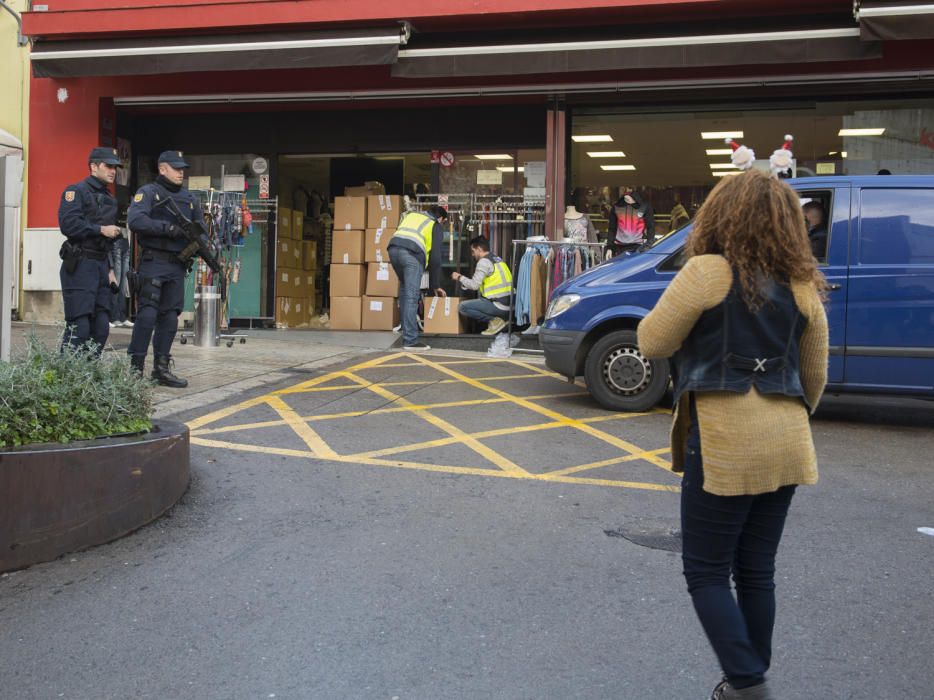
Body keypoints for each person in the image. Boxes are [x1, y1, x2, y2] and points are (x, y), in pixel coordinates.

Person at [638, 168, 829, 700]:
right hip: (789, 438)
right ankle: (747, 677)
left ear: (721, 217)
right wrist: (785, 418)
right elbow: (814, 378)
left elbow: (651, 342)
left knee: (706, 571)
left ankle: (747, 683)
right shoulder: (802, 285)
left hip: (724, 439)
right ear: (788, 225)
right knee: (757, 570)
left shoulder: (704, 272)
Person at [126, 150, 202, 388]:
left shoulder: (190, 198)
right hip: (154, 262)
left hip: (177, 264)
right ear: (162, 169)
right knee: (147, 314)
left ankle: (161, 368)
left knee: (170, 317)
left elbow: (200, 230)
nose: (181, 172)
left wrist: (201, 246)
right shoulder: (148, 193)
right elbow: (136, 221)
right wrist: (167, 229)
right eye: (176, 168)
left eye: (182, 169)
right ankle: (135, 368)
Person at [57, 146, 122, 354]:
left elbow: (108, 242)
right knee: (80, 328)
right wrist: (100, 229)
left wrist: (111, 269)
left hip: (102, 266)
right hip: (80, 264)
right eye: (108, 166)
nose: (113, 171)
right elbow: (69, 225)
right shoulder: (75, 191)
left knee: (101, 329)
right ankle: (64, 377)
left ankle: (88, 377)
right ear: (94, 166)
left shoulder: (111, 199)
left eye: (115, 167)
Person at [388, 204, 447, 350]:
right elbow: (435, 258)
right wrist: (435, 285)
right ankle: (410, 341)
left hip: (393, 250)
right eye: (444, 222)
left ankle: (406, 332)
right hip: (412, 255)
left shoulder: (411, 215)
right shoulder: (434, 224)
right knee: (411, 296)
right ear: (440, 218)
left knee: (405, 291)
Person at [452, 236, 513, 335]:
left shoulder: (483, 262)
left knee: (462, 307)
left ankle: (495, 321)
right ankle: (503, 320)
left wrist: (459, 277)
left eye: (473, 251)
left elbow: (475, 285)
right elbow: (485, 282)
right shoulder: (497, 259)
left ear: (479, 249)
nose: (472, 255)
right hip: (510, 306)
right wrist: (466, 284)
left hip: (499, 305)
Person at [608, 188, 654, 256]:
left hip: (637, 246)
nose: (628, 200)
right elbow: (612, 228)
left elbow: (650, 227)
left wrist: (649, 245)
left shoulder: (645, 207)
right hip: (619, 247)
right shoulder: (617, 207)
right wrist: (610, 247)